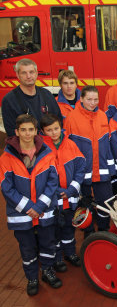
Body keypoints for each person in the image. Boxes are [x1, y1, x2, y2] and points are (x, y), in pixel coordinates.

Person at [0, 114, 61, 296]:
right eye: (23, 130)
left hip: (44, 211)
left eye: (31, 130)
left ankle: (48, 271)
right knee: (26, 248)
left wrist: (40, 206)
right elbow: (6, 187)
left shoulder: (47, 153)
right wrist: (29, 207)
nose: (27, 134)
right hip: (21, 213)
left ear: (36, 131)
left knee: (48, 244)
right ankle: (32, 278)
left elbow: (53, 181)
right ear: (17, 132)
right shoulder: (6, 157)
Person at [65, 85, 116, 235]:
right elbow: (67, 147)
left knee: (106, 203)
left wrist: (111, 168)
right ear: (81, 99)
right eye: (89, 99)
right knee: (84, 204)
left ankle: (103, 229)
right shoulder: (71, 118)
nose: (93, 103)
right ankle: (88, 233)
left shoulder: (102, 116)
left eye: (95, 99)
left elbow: (106, 144)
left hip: (102, 170)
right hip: (83, 172)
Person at [40, 114, 85, 272]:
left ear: (61, 127)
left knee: (69, 227)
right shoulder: (41, 149)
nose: (53, 133)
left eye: (56, 129)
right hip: (53, 200)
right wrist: (59, 191)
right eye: (49, 130)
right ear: (43, 131)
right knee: (54, 231)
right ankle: (58, 258)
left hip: (70, 197)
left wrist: (72, 189)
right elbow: (41, 177)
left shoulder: (70, 144)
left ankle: (70, 253)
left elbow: (80, 167)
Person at [1, 58, 62, 137]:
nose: (28, 76)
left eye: (31, 72)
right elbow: (11, 132)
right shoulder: (9, 100)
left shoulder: (47, 95)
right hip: (26, 147)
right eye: (24, 73)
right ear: (17, 75)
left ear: (36, 73)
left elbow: (59, 121)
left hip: (50, 146)